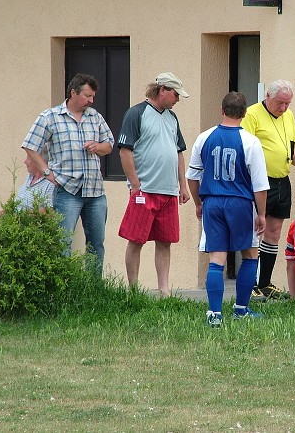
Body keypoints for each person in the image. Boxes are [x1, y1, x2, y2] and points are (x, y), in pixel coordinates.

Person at [186, 91, 269, 326]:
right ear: (244, 114)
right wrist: (261, 214)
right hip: (240, 203)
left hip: (212, 201)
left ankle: (214, 314)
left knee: (217, 257)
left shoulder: (204, 138)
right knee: (250, 253)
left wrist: (198, 203)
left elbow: (193, 176)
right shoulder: (251, 141)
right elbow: (260, 185)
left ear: (221, 110)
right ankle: (241, 309)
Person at [22, 73, 114, 271]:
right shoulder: (50, 117)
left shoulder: (95, 116)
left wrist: (98, 146)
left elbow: (109, 145)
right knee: (63, 243)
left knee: (96, 244)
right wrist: (47, 172)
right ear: (73, 93)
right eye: (87, 96)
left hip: (95, 191)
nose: (91, 100)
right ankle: (65, 290)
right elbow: (30, 146)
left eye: (92, 96)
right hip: (67, 190)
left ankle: (93, 291)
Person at [117, 72, 190, 296]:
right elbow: (125, 150)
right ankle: (133, 290)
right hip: (145, 190)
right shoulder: (136, 113)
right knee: (136, 240)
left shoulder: (172, 118)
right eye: (176, 94)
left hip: (168, 191)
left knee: (165, 241)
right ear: (163, 91)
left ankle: (164, 290)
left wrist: (183, 185)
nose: (177, 99)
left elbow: (178, 152)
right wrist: (135, 184)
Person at [241, 80, 295, 301]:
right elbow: (245, 148)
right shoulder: (252, 114)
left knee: (273, 232)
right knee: (254, 232)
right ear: (268, 97)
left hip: (282, 180)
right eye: (280, 103)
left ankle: (265, 283)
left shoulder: (288, 116)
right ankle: (250, 282)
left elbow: (290, 148)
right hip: (259, 182)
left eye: (288, 104)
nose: (283, 109)